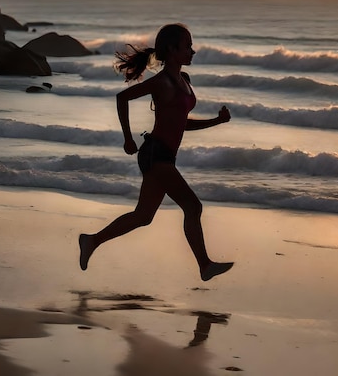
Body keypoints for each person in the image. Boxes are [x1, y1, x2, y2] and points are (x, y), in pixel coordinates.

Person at [78, 23, 234, 281]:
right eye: (188, 46)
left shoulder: (184, 80)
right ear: (172, 50)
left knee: (143, 216)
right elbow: (122, 98)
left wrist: (217, 121)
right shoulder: (161, 82)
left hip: (163, 156)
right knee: (193, 206)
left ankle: (91, 241)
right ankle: (205, 265)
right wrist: (128, 139)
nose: (192, 51)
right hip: (155, 154)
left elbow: (182, 123)